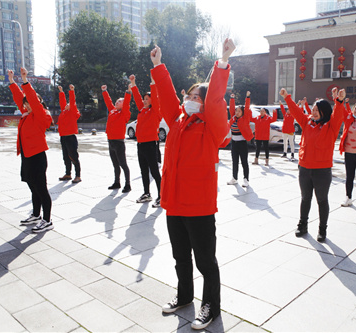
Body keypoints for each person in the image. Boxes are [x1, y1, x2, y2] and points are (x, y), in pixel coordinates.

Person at [151, 38, 236, 330]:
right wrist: (158, 66)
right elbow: (164, 95)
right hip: (174, 203)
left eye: (197, 97)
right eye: (190, 96)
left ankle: (210, 306)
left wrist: (222, 62)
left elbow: (214, 100)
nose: (192, 100)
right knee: (180, 257)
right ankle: (184, 296)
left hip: (198, 207)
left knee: (205, 261)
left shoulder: (211, 126)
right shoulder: (176, 121)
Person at [280, 86, 346, 242]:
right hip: (304, 168)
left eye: (317, 110)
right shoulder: (307, 122)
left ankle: (322, 229)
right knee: (305, 198)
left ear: (324, 112)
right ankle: (302, 225)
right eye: (313, 109)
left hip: (322, 171)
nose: (314, 112)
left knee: (322, 200)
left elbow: (337, 115)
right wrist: (287, 98)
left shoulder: (331, 126)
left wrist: (339, 100)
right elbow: (296, 112)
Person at [8, 68, 54, 233]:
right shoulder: (26, 114)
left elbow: (32, 99)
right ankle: (36, 214)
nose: (26, 105)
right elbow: (20, 98)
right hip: (27, 156)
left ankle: (47, 220)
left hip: (37, 156)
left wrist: (25, 81)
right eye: (25, 104)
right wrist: (13, 82)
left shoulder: (41, 115)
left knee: (41, 187)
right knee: (32, 185)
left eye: (30, 103)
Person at [129, 74, 162, 207]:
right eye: (144, 99)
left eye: (147, 98)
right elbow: (137, 98)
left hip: (150, 144)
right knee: (143, 170)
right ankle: (147, 193)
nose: (144, 100)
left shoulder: (155, 111)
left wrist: (153, 83)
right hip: (140, 144)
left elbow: (156, 98)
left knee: (154, 171)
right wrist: (133, 84)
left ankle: (161, 196)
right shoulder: (142, 110)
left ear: (152, 100)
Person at [102, 84, 132, 192]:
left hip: (119, 143)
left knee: (123, 164)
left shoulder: (124, 113)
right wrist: (105, 91)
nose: (117, 102)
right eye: (117, 101)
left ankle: (127, 184)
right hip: (110, 141)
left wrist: (128, 92)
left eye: (120, 101)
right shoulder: (112, 111)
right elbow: (108, 102)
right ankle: (117, 182)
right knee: (115, 164)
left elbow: (127, 103)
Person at [227, 91, 253, 187]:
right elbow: (231, 108)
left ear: (242, 112)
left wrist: (247, 97)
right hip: (234, 143)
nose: (237, 112)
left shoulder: (245, 118)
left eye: (239, 111)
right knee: (234, 161)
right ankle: (234, 178)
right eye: (236, 111)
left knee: (244, 162)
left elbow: (246, 107)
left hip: (242, 143)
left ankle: (246, 179)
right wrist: (232, 98)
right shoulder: (233, 118)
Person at [57, 84, 82, 183]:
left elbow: (72, 102)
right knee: (65, 156)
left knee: (73, 157)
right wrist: (61, 92)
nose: (67, 104)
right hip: (63, 137)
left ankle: (78, 176)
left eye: (69, 104)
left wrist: (72, 91)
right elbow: (62, 102)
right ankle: (68, 174)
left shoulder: (72, 112)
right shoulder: (64, 112)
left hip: (70, 137)